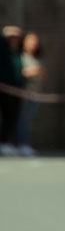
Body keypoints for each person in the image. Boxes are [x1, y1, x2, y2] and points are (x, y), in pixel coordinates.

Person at [17, 31, 45, 156]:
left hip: (35, 93)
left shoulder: (36, 58)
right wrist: (30, 71)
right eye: (30, 41)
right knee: (20, 120)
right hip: (23, 93)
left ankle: (24, 143)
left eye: (35, 42)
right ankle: (19, 144)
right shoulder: (20, 56)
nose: (33, 44)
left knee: (27, 120)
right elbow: (18, 72)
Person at [0, 26, 25, 156]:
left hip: (17, 88)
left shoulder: (17, 52)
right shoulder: (3, 49)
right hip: (5, 88)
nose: (15, 39)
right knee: (7, 115)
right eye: (12, 37)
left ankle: (8, 142)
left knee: (13, 116)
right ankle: (3, 142)